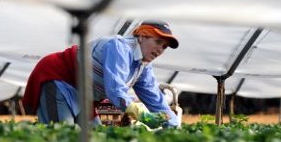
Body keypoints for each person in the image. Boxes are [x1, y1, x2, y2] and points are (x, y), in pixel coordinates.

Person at [22, 21, 181, 127]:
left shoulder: (143, 66)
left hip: (85, 95)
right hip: (60, 80)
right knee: (61, 134)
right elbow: (115, 91)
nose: (160, 50)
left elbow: (155, 99)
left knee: (96, 138)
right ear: (141, 36)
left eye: (165, 46)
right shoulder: (119, 47)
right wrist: (142, 115)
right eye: (158, 42)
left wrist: (173, 127)